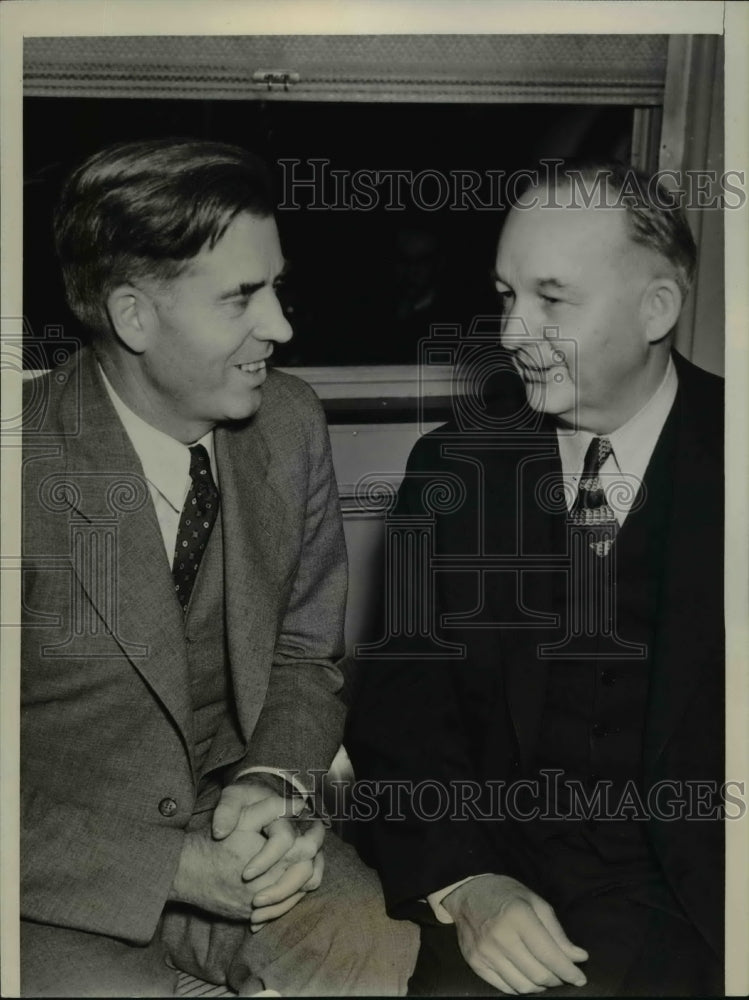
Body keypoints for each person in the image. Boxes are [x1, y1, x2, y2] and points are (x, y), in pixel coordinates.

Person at [20, 137, 419, 997]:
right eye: (241, 297)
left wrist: (272, 781)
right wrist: (167, 867)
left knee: (363, 943)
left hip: (227, 821)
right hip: (44, 878)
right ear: (132, 317)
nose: (279, 326)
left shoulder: (288, 424)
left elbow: (305, 657)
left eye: (275, 287)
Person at [347, 161, 724, 996]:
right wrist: (468, 883)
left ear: (655, 308)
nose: (513, 333)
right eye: (506, 294)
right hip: (503, 883)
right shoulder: (451, 468)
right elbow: (397, 722)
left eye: (551, 300)